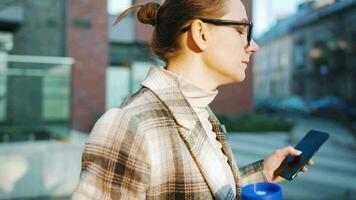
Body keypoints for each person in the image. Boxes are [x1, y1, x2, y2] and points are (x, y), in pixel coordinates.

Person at [73, 0, 313, 199]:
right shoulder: (130, 125)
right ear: (200, 33)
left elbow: (201, 189)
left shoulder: (200, 112)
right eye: (241, 30)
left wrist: (263, 173)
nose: (253, 46)